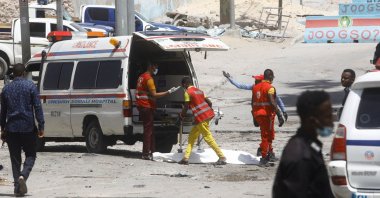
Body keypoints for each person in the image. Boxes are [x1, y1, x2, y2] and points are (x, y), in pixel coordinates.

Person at [272, 90, 334, 198]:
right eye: (327, 116)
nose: (332, 120)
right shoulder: (301, 156)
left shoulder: (311, 145)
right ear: (312, 120)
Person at [0, 63, 45, 196]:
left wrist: (2, 128)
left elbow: (3, 112)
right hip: (27, 128)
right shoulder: (30, 86)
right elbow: (37, 107)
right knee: (31, 155)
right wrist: (41, 126)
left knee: (15, 159)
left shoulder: (6, 89)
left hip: (12, 128)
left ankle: (17, 188)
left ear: (13, 73)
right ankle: (23, 177)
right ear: (24, 73)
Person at [135, 61, 180, 160]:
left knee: (150, 129)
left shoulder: (141, 76)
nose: (156, 69)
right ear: (151, 66)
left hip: (141, 105)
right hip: (146, 106)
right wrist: (168, 92)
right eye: (155, 67)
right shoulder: (149, 79)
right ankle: (146, 153)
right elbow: (155, 95)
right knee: (148, 131)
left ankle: (152, 152)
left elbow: (144, 92)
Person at [178, 76, 226, 165]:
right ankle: (185, 158)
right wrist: (208, 112)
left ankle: (222, 157)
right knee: (192, 136)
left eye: (182, 85)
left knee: (208, 137)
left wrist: (181, 115)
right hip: (205, 116)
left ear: (185, 84)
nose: (183, 87)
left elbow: (186, 106)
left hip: (201, 118)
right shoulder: (199, 91)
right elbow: (210, 102)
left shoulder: (187, 92)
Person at [222, 71, 288, 121]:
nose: (255, 81)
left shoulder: (269, 88)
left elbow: (278, 100)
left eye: (257, 80)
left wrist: (283, 111)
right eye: (255, 80)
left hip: (267, 114)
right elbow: (239, 85)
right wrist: (229, 78)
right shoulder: (254, 87)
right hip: (258, 114)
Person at [252, 69, 284, 166]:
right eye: (273, 77)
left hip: (257, 114)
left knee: (265, 134)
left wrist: (254, 116)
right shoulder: (270, 88)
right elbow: (272, 102)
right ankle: (264, 157)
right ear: (270, 77)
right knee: (267, 136)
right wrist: (279, 114)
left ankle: (269, 153)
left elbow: (252, 103)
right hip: (266, 115)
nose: (273, 79)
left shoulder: (255, 88)